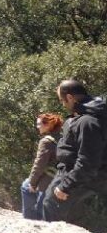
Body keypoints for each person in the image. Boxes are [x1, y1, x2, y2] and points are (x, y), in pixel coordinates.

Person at [42, 79, 107, 223]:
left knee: (51, 205)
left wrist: (66, 185)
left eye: (62, 100)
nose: (63, 104)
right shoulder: (86, 116)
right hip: (79, 174)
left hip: (75, 174)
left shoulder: (87, 121)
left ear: (70, 97)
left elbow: (88, 160)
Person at [21, 113, 63, 220]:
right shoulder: (62, 138)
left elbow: (39, 165)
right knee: (44, 209)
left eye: (39, 124)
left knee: (26, 187)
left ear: (48, 125)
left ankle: (29, 219)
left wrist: (33, 183)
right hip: (58, 179)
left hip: (46, 180)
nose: (37, 126)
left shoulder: (46, 141)